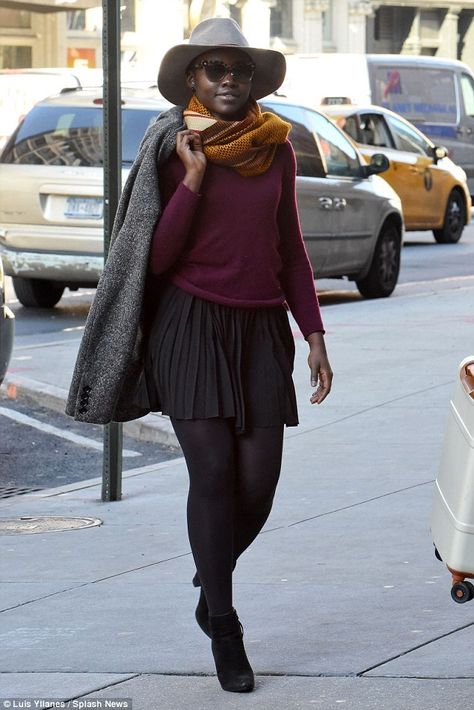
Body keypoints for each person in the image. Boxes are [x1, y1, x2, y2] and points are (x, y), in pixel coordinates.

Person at [67, 17, 332, 695]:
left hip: (259, 330)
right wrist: (192, 178)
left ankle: (209, 575)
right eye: (216, 70)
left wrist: (315, 335)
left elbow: (290, 248)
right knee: (213, 475)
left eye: (239, 72)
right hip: (189, 326)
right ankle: (224, 621)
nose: (228, 82)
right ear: (193, 77)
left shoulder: (277, 147)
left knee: (259, 483)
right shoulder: (171, 146)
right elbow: (153, 257)